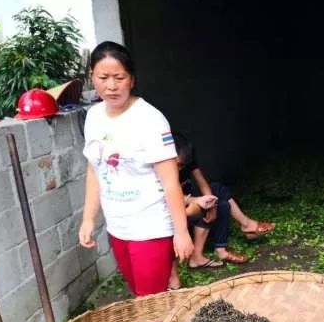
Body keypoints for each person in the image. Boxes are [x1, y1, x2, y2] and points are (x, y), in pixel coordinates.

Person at [78, 41, 195, 296]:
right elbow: (94, 170)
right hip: (117, 227)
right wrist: (88, 218)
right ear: (92, 77)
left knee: (148, 302)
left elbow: (170, 182)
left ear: (132, 79)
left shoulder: (150, 119)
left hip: (151, 227)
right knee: (142, 298)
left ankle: (161, 321)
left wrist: (181, 232)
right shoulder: (94, 117)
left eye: (119, 77)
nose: (111, 86)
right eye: (103, 77)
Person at [168, 133, 275, 288]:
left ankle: (220, 249)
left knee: (221, 202)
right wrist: (197, 201)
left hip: (188, 201)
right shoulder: (161, 166)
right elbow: (168, 197)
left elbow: (201, 180)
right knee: (210, 200)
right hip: (174, 211)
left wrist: (211, 203)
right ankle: (246, 226)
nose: (181, 168)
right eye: (178, 164)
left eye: (183, 165)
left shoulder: (186, 157)